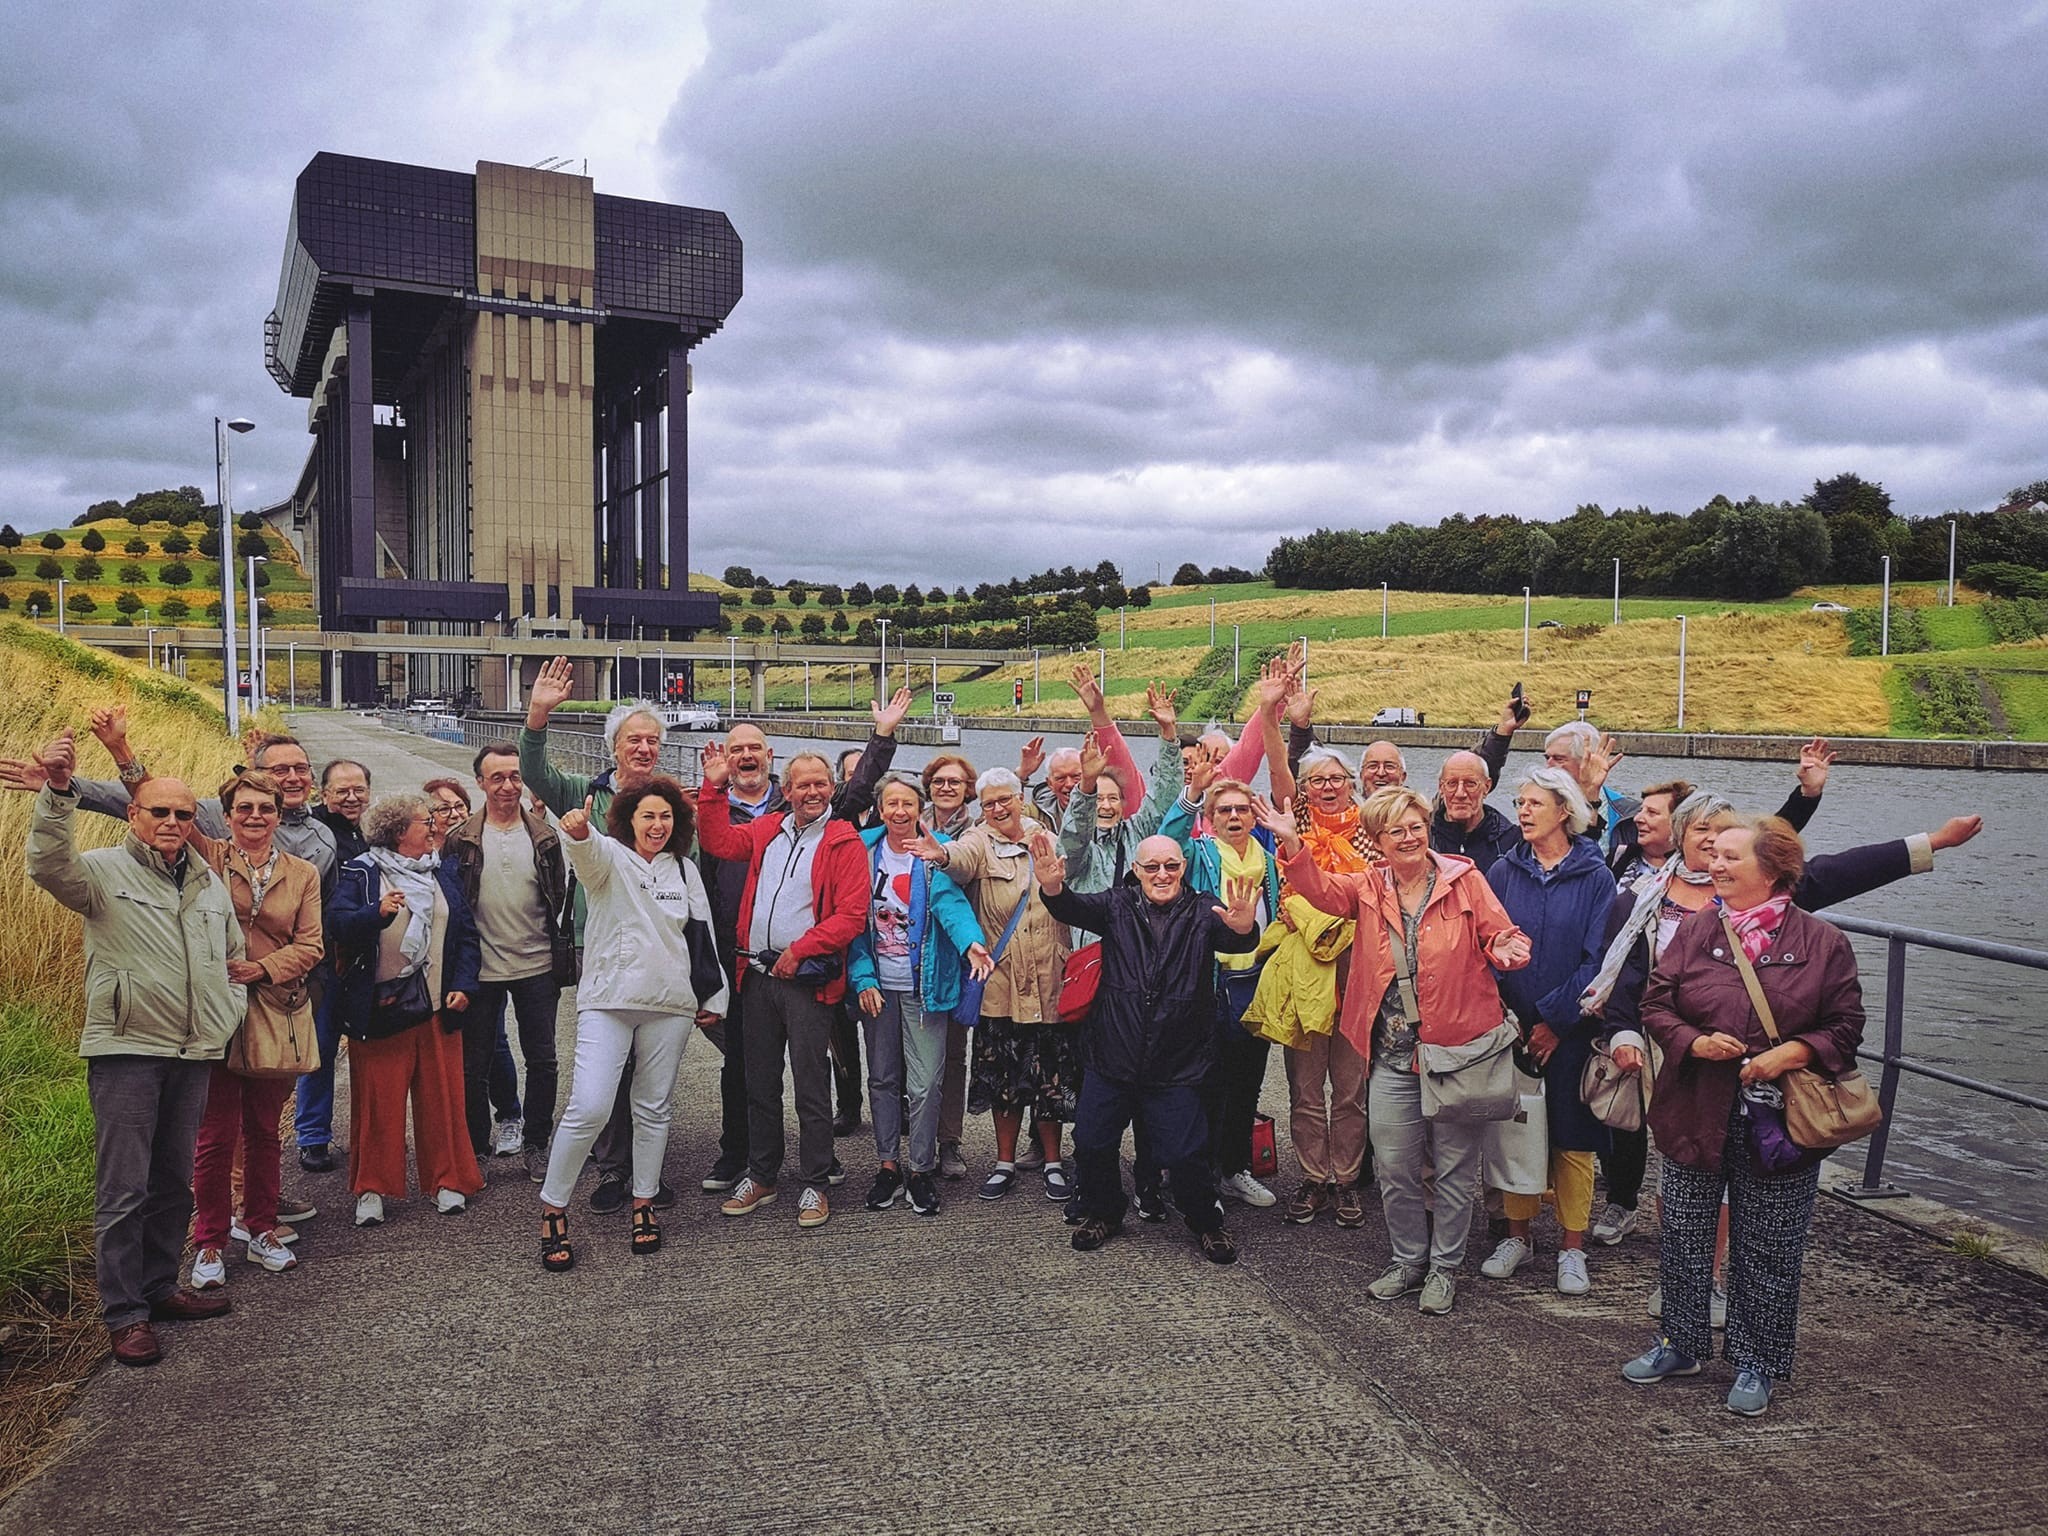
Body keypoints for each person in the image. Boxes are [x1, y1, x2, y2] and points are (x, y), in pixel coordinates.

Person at [1621, 816, 1866, 1417]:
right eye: (1714, 854)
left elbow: (1847, 1025)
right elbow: (1655, 1001)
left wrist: (1796, 1051)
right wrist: (1693, 1042)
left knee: (1770, 1246)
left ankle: (1756, 1361)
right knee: (1683, 1235)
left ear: (1773, 869)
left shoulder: (1822, 942)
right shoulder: (1701, 928)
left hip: (1779, 1120)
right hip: (1695, 1108)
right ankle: (1680, 1342)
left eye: (1731, 856)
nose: (1716, 863)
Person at [1263, 787, 1531, 1314]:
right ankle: (1408, 1260)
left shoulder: (1463, 879)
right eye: (1396, 831)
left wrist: (1506, 947)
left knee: (1455, 1170)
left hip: (1455, 1052)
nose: (1409, 838)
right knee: (1393, 1164)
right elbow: (1320, 892)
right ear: (1378, 841)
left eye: (1416, 827)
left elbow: (1502, 932)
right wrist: (1293, 842)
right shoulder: (1367, 886)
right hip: (1389, 1055)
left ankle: (1444, 1268)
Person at [24, 731, 241, 1366]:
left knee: (174, 1180)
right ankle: (124, 1315)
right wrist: (59, 792)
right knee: (123, 1187)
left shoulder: (207, 884)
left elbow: (230, 958)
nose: (173, 822)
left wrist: (224, 1017)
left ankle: (158, 1288)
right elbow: (46, 864)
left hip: (193, 1050)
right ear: (133, 816)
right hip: (126, 1048)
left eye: (182, 813)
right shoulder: (99, 871)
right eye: (159, 812)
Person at [1033, 830, 1262, 1263]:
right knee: (1092, 1141)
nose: (1162, 874)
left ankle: (1205, 1221)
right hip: (1112, 1055)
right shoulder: (1116, 905)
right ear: (1136, 871)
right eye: (1151, 867)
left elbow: (1235, 939)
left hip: (1177, 1062)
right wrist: (1052, 886)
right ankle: (1104, 1211)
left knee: (1184, 1154)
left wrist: (1246, 927)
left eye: (1171, 866)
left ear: (1183, 869)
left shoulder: (1202, 909)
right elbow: (1070, 907)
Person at [537, 778, 727, 1269]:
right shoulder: (609, 858)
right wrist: (577, 830)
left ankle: (644, 1202)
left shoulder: (684, 869)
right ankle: (554, 1207)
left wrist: (714, 995)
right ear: (627, 820)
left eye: (666, 816)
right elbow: (584, 850)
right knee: (590, 1105)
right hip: (608, 999)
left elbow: (701, 933)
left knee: (653, 1108)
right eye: (648, 816)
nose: (657, 825)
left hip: (670, 1004)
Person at [520, 662, 689, 1212]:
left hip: (660, 955)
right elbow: (536, 772)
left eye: (652, 741)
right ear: (614, 746)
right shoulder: (584, 791)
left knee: (650, 1073)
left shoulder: (671, 804)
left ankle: (646, 1173)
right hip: (603, 945)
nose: (643, 749)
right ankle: (613, 1168)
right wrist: (539, 714)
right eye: (633, 740)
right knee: (606, 1069)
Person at [697, 744, 870, 1230]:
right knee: (759, 1082)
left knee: (812, 1085)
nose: (811, 792)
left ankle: (815, 1179)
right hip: (755, 977)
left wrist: (801, 950)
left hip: (804, 981)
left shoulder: (843, 841)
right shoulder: (768, 829)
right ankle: (762, 1174)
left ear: (831, 790)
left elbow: (852, 915)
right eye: (802, 784)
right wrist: (713, 789)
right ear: (786, 790)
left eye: (820, 784)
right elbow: (717, 842)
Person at [907, 769, 1075, 1202]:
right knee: (1004, 1079)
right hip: (1000, 982)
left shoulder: (1048, 838)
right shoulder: (979, 840)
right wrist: (940, 856)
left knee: (1049, 1079)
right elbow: (960, 858)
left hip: (1048, 978)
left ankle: (1053, 1162)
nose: (998, 809)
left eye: (1005, 800)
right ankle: (1003, 1163)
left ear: (1021, 798)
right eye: (989, 803)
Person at [1480, 768, 1616, 1295]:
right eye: (1519, 802)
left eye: (1535, 802)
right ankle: (1517, 1236)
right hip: (1511, 1029)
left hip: (1574, 1030)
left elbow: (1599, 959)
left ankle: (1572, 1247)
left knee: (1573, 1140)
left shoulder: (1595, 875)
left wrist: (1555, 1022)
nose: (1524, 811)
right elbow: (1485, 945)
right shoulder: (1502, 870)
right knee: (1516, 1131)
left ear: (1565, 810)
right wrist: (1513, 1019)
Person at [187, 770, 324, 1289]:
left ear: (278, 814)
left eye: (264, 808)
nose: (254, 817)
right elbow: (150, 803)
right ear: (227, 816)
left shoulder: (302, 873)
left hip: (274, 1009)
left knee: (265, 1132)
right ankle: (209, 1241)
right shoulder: (211, 859)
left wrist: (261, 968)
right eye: (243, 808)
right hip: (216, 1013)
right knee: (215, 1136)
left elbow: (311, 944)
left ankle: (262, 1227)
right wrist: (122, 752)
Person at [328, 793, 484, 1227]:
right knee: (378, 1103)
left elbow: (467, 936)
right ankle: (372, 1190)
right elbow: (337, 924)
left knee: (443, 1098)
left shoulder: (442, 873)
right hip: (383, 1008)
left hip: (438, 1006)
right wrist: (374, 914)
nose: (434, 826)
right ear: (399, 832)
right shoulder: (361, 872)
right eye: (424, 821)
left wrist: (463, 985)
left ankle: (447, 1180)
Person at [846, 774, 994, 1217]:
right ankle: (888, 1164)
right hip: (878, 986)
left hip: (923, 987)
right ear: (881, 808)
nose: (899, 812)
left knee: (926, 1082)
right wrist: (863, 977)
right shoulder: (862, 850)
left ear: (919, 808)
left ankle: (920, 1168)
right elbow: (852, 920)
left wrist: (971, 942)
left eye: (907, 804)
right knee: (883, 1078)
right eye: (891, 804)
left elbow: (950, 904)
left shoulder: (934, 850)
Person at [441, 743, 576, 1185]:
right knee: (472, 1066)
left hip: (537, 966)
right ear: (479, 782)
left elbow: (556, 895)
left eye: (515, 776)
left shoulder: (544, 836)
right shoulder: (460, 839)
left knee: (543, 1060)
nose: (507, 785)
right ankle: (476, 1149)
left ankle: (537, 1144)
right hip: (480, 972)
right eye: (496, 777)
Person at [1260, 745, 1371, 1227]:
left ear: (1352, 781)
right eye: (1317, 780)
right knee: (1305, 1087)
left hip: (1356, 964)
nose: (1328, 787)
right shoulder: (1297, 822)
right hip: (1305, 966)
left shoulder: (1372, 826)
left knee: (1350, 1089)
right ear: (1304, 791)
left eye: (1337, 778)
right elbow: (1279, 770)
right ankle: (1312, 1176)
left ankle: (1346, 1180)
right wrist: (1270, 714)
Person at [1431, 750, 1520, 874]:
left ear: (1487, 787)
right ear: (1441, 787)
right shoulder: (1423, 837)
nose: (1460, 793)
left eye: (1470, 784)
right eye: (1452, 783)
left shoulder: (1513, 842)